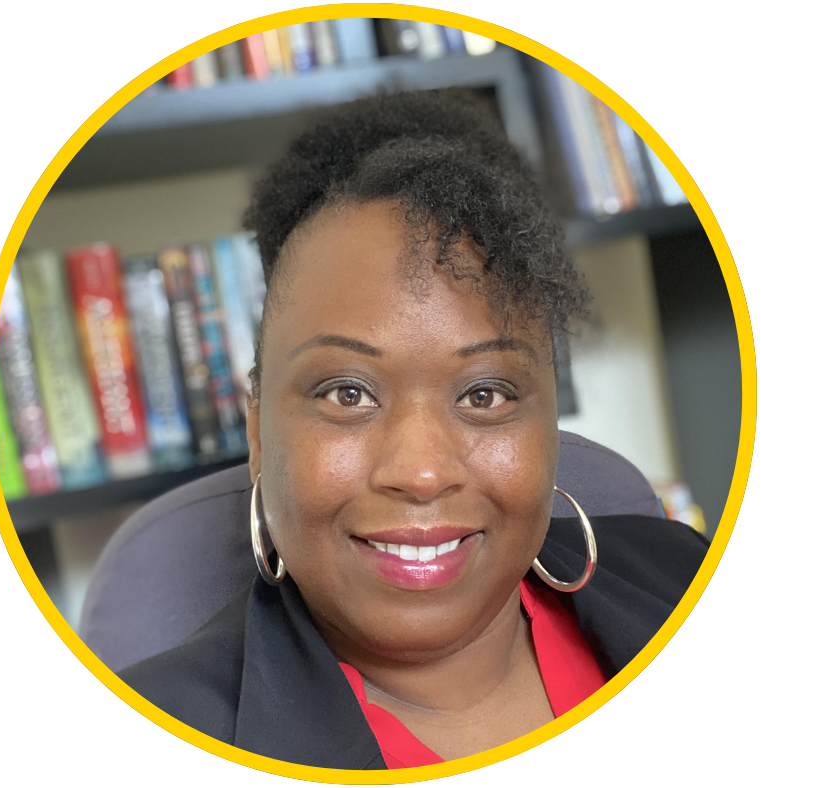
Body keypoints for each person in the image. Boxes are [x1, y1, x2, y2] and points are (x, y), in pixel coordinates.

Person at [118, 88, 709, 769]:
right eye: (347, 392)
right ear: (259, 433)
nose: (422, 471)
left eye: (485, 393)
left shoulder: (679, 572)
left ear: (549, 424)